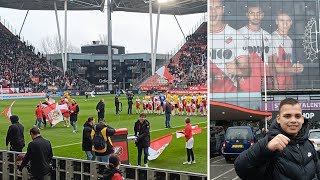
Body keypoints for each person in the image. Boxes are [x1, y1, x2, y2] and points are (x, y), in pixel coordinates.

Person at [235, 98, 320, 180]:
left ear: (302, 119)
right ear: (278, 119)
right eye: (287, 116)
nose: (293, 120)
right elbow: (242, 169)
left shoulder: (308, 145)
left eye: (297, 116)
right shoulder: (270, 144)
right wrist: (266, 147)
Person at [209, 0, 249, 93]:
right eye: (210, 8)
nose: (213, 12)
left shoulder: (236, 36)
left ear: (223, 10)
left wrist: (238, 71)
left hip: (229, 95)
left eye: (217, 8)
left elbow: (247, 70)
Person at [237, 2, 272, 92]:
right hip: (246, 82)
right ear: (247, 15)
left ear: (262, 15)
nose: (255, 16)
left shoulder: (268, 36)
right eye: (252, 13)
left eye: (258, 13)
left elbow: (270, 61)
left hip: (264, 80)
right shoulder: (239, 34)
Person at [271, 10, 304, 90]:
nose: (285, 24)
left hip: (288, 83)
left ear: (291, 22)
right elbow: (273, 66)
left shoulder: (289, 40)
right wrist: (292, 69)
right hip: (277, 84)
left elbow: (288, 63)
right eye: (282, 20)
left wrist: (297, 67)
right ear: (276, 22)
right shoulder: (272, 39)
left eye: (288, 20)